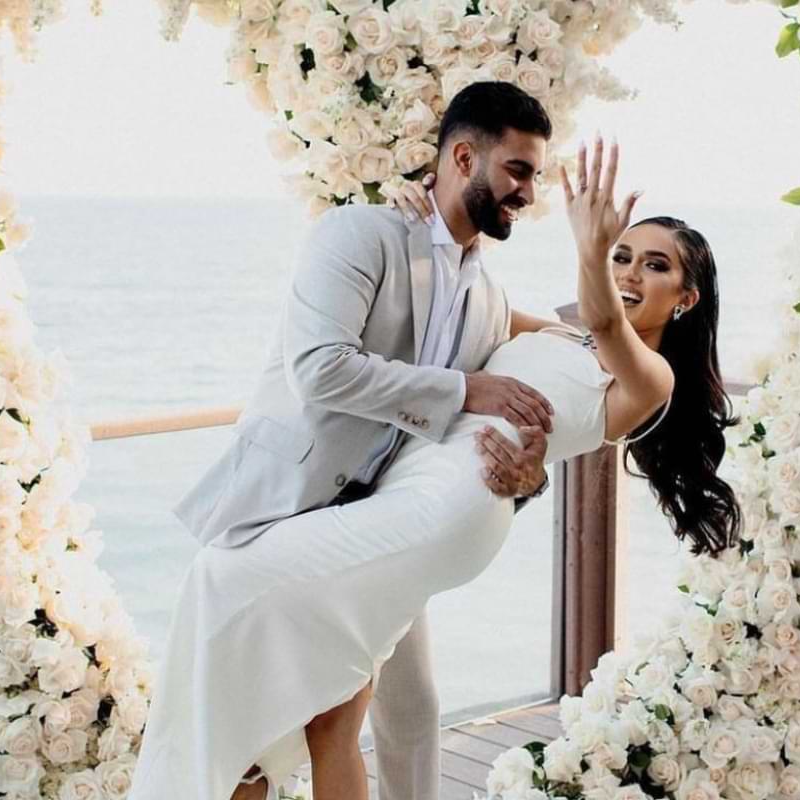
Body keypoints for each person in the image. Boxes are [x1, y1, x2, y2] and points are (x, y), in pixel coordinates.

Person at [131, 81, 563, 800]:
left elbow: (499, 409)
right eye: (518, 170)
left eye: (534, 176)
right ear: (463, 156)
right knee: (243, 732)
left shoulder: (486, 299)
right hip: (281, 513)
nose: (527, 192)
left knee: (340, 722)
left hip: (376, 530)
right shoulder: (360, 233)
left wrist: (530, 473)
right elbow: (321, 370)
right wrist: (463, 389)